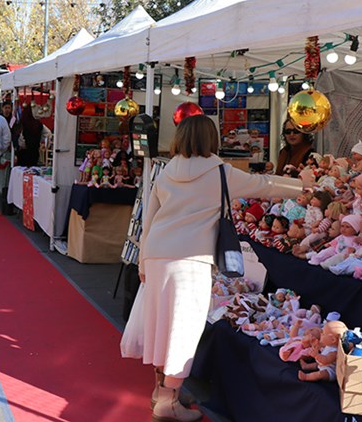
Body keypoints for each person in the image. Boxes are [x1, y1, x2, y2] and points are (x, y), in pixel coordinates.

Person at [130, 115, 312, 421]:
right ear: (211, 139)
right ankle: (168, 402)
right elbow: (264, 185)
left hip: (158, 254)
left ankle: (161, 391)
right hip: (192, 259)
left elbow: (150, 217)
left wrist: (143, 259)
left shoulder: (167, 171)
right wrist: (302, 184)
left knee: (161, 324)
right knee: (183, 328)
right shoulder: (219, 172)